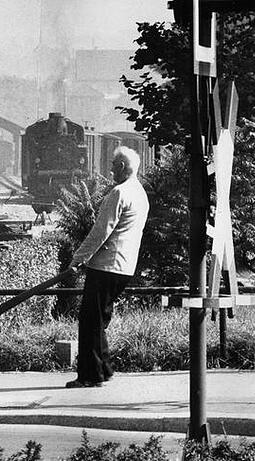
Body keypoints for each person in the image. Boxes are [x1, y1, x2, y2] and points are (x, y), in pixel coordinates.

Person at [66, 147, 149, 388]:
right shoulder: (140, 193)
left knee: (90, 320)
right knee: (100, 318)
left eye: (114, 164)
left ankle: (90, 375)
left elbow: (101, 231)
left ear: (122, 167)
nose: (111, 168)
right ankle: (104, 368)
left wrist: (78, 259)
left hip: (106, 265)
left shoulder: (118, 192)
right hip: (125, 266)